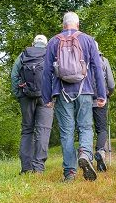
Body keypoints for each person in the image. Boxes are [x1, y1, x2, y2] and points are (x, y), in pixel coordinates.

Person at [42, 12, 107, 182]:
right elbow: (97, 70)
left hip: (61, 91)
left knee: (66, 132)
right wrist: (101, 94)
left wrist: (46, 97)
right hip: (84, 91)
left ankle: (70, 173)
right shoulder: (88, 40)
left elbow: (46, 72)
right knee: (85, 127)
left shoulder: (53, 41)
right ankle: (85, 153)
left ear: (63, 25)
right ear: (78, 25)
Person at [10, 35, 53, 174]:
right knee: (43, 130)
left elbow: (14, 76)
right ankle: (38, 167)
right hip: (46, 97)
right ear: (46, 44)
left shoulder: (23, 55)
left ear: (33, 43)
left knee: (27, 130)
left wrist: (19, 94)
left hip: (26, 95)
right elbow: (57, 75)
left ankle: (26, 168)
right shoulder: (50, 54)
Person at [93, 50, 116, 172]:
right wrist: (108, 94)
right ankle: (100, 151)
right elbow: (111, 84)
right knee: (101, 128)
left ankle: (84, 154)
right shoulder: (103, 60)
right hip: (100, 98)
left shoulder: (82, 58)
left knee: (84, 127)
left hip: (84, 98)